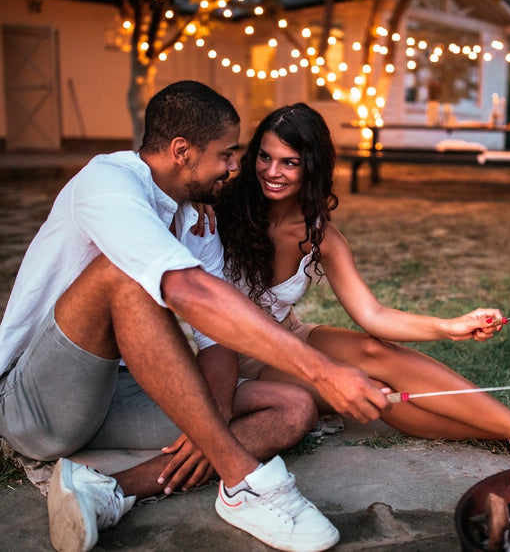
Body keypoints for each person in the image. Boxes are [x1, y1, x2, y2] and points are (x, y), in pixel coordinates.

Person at [0, 83, 393, 552]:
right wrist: (324, 371)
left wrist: (216, 415)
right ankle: (241, 480)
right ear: (182, 152)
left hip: (116, 394)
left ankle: (111, 490)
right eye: (227, 155)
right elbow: (186, 291)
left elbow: (216, 340)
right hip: (34, 403)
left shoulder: (194, 219)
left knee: (293, 407)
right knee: (123, 276)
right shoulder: (106, 184)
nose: (235, 168)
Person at [212, 102, 510, 458]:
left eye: (289, 162)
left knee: (380, 353)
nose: (272, 172)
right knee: (376, 392)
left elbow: (373, 315)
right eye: (265, 156)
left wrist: (449, 327)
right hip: (242, 358)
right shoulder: (218, 212)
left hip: (290, 333)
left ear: (311, 166)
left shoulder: (320, 234)